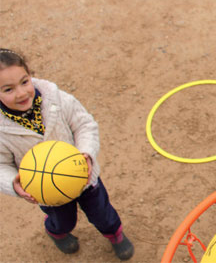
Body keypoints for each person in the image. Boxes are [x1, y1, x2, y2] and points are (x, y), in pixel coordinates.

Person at [0, 49, 133, 260]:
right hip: (46, 191)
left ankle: (114, 233)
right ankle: (56, 232)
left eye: (24, 82)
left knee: (102, 213)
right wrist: (13, 183)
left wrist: (86, 154)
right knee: (64, 221)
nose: (21, 93)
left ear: (30, 74)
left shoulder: (56, 99)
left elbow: (84, 125)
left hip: (83, 176)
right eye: (8, 89)